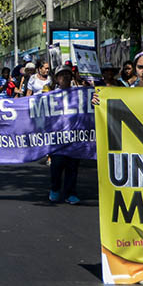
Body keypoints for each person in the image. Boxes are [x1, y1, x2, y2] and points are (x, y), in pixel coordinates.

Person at [49, 64, 81, 204]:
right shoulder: (50, 96)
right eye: (62, 75)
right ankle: (55, 189)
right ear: (56, 78)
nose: (65, 77)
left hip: (74, 136)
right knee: (57, 165)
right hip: (57, 137)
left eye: (68, 74)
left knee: (72, 167)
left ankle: (70, 193)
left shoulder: (79, 93)